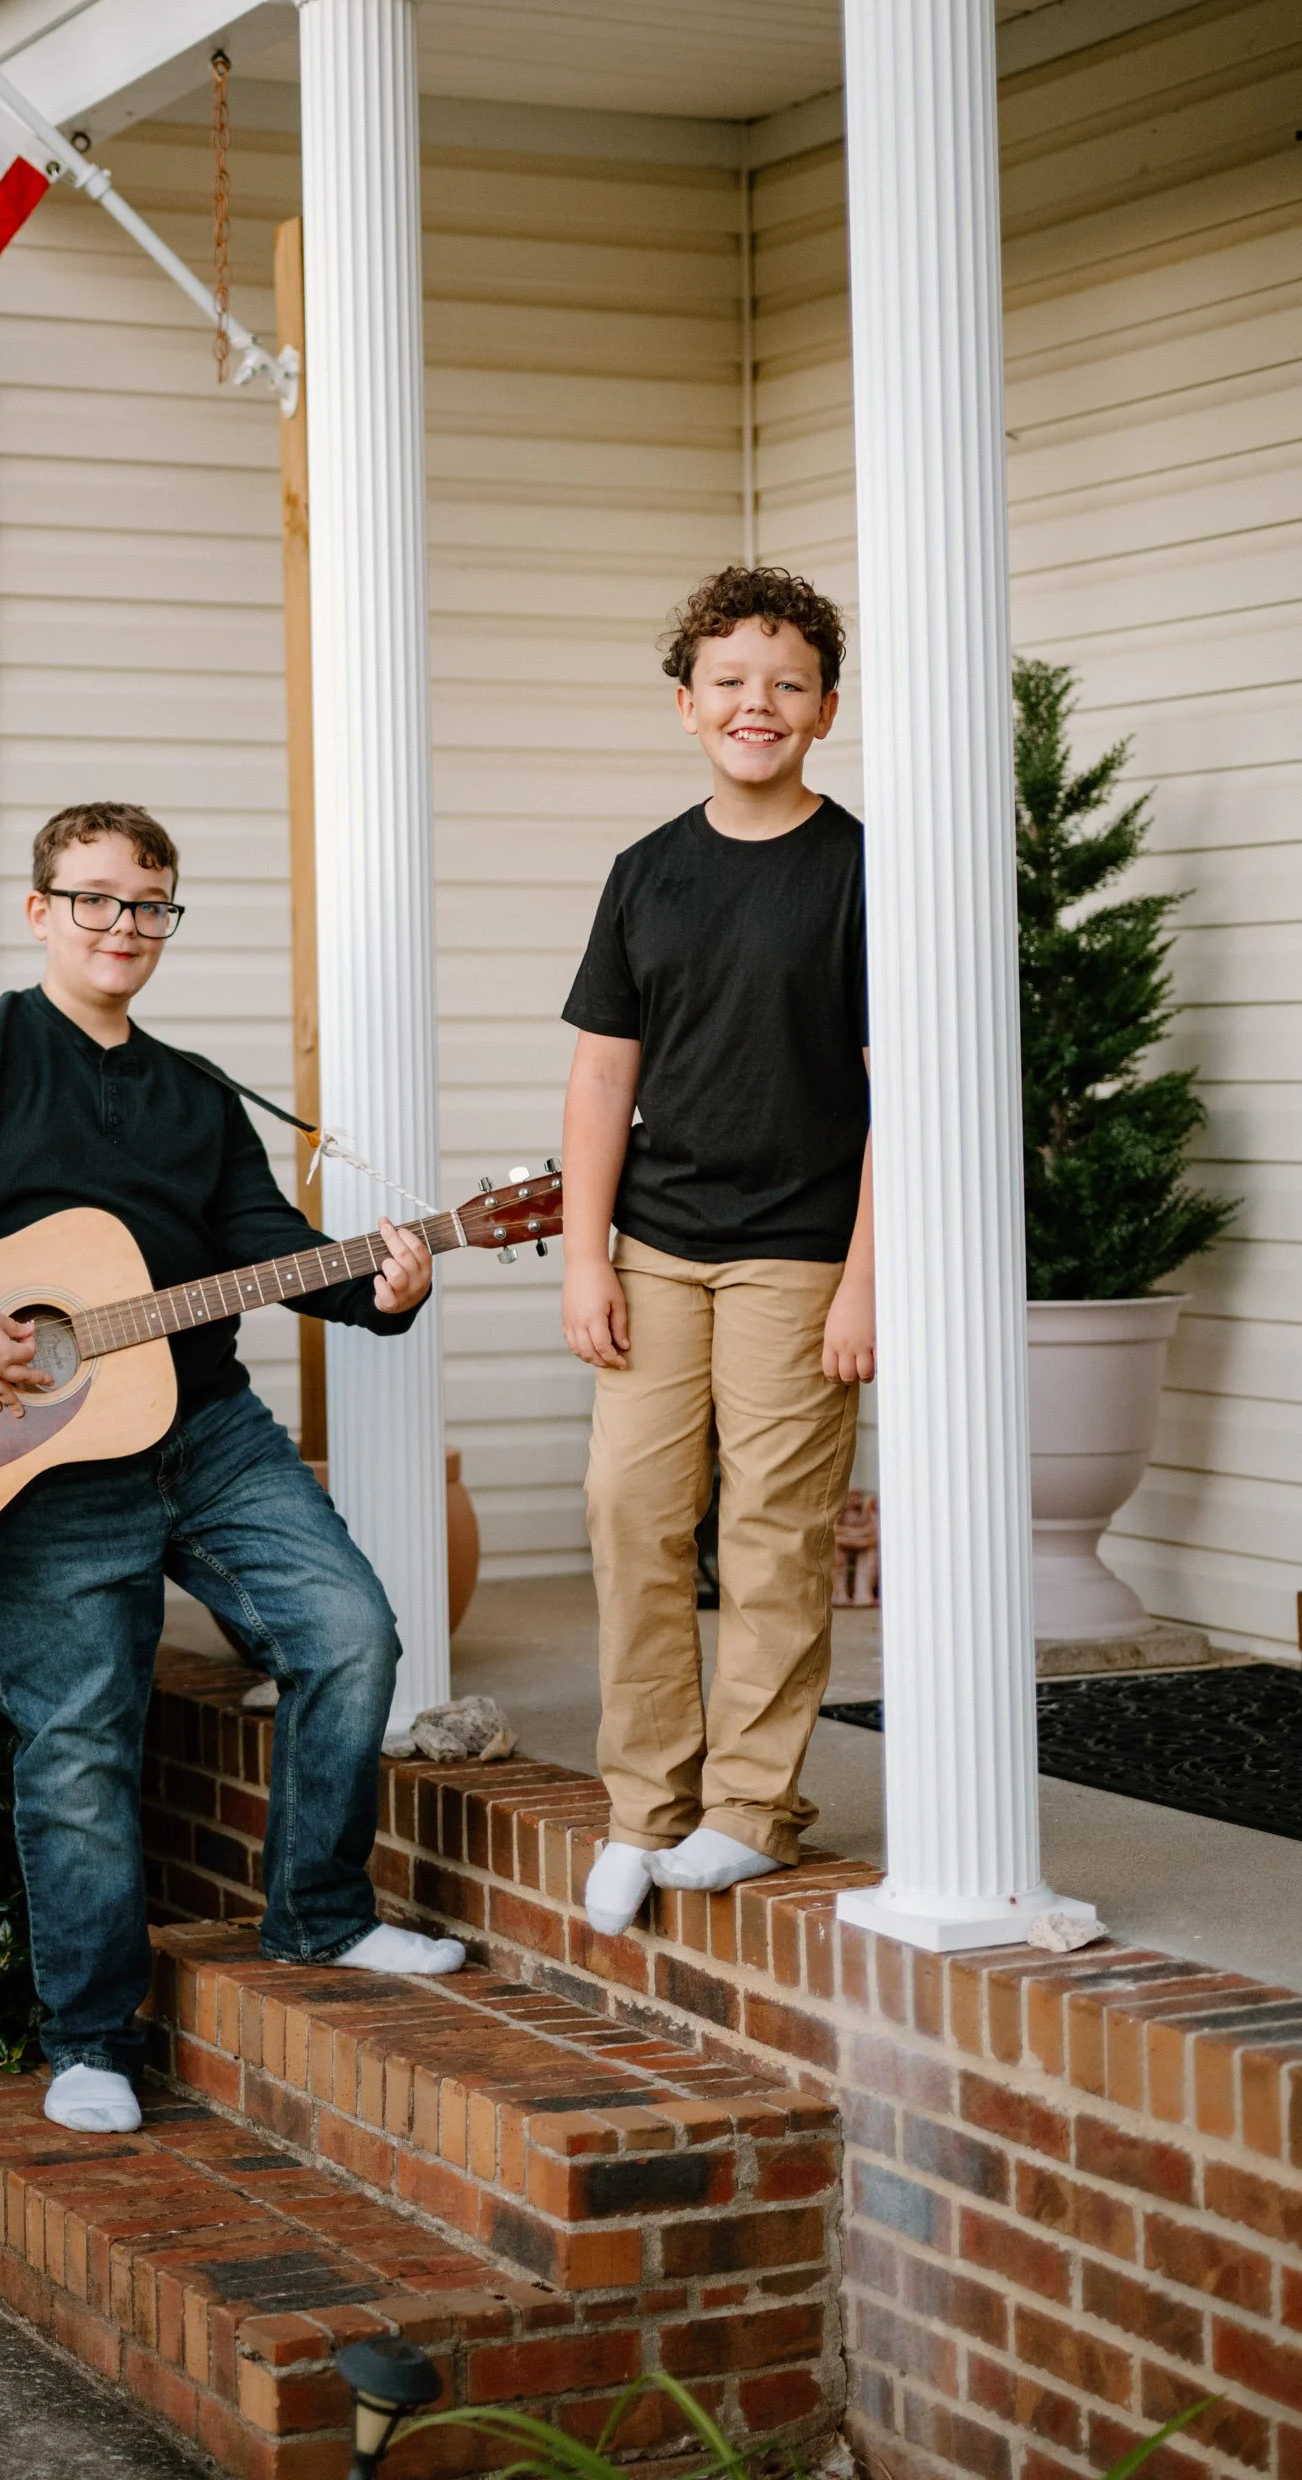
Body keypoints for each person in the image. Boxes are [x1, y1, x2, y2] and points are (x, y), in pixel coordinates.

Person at [0, 801, 463, 2137]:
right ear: (42, 909)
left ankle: (323, 1920)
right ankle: (90, 2041)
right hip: (41, 1455)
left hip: (207, 1427)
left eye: (148, 905)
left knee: (348, 1634)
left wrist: (385, 1288)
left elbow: (265, 1242)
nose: (123, 927)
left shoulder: (196, 1092)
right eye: (95, 899)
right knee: (78, 1744)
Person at [558, 566, 874, 1938]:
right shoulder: (646, 875)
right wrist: (585, 1254)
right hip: (657, 1249)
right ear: (687, 705)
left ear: (827, 709)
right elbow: (598, 1081)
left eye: (786, 683)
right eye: (731, 682)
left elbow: (898, 1097)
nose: (758, 705)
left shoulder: (862, 870)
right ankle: (646, 1808)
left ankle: (749, 1811)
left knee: (772, 1534)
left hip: (800, 1256)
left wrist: (869, 1278)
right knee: (630, 1512)